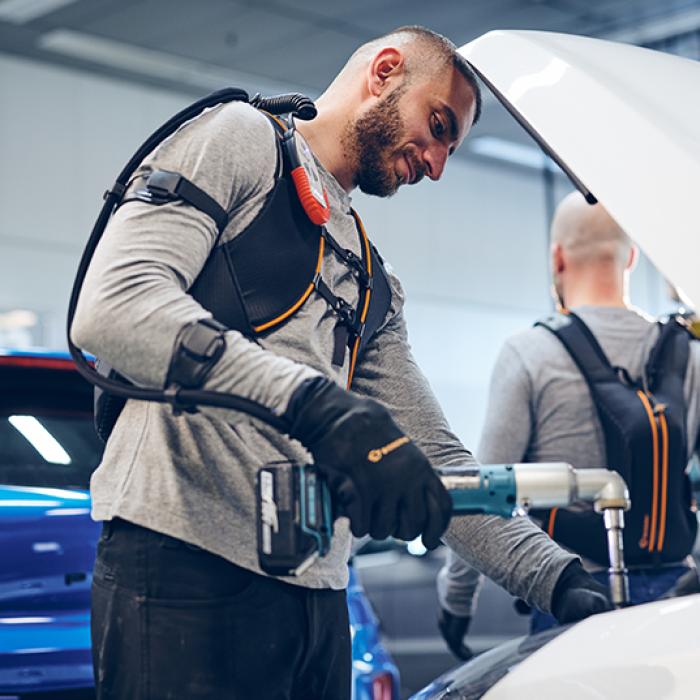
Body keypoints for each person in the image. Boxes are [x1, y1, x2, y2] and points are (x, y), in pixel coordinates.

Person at [72, 27, 609, 700]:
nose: (437, 165)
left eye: (449, 149)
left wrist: (560, 580)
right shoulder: (240, 139)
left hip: (316, 601)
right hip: (184, 572)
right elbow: (114, 308)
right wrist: (317, 405)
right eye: (438, 127)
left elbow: (439, 462)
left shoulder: (367, 276)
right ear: (385, 71)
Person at [438, 191, 700, 658]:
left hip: (573, 599)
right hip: (678, 598)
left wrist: (457, 601)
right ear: (632, 257)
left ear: (557, 258)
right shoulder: (689, 355)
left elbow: (481, 491)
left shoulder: (530, 354)